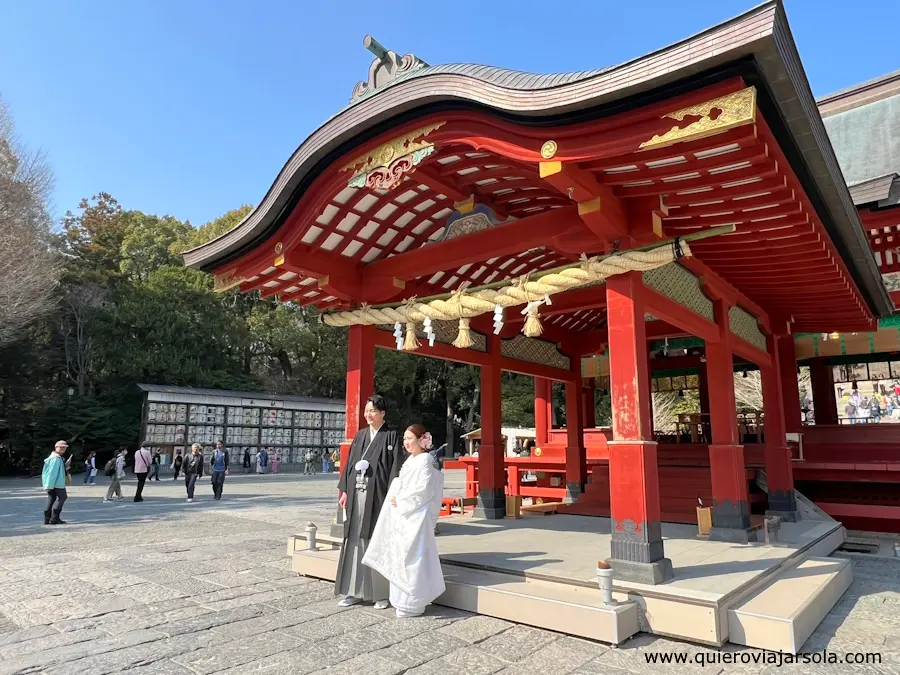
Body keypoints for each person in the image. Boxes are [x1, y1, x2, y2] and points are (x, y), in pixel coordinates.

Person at [363, 425, 445, 618]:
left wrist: (400, 500)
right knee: (401, 556)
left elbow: (423, 490)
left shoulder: (425, 461)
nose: (407, 443)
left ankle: (414, 602)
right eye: (405, 439)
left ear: (421, 440)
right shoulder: (411, 460)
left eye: (410, 438)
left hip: (416, 515)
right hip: (404, 514)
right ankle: (401, 600)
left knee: (413, 558)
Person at [335, 394, 405, 609]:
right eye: (366, 411)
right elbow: (349, 465)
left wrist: (393, 494)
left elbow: (395, 467)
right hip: (357, 494)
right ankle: (353, 590)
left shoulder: (392, 436)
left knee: (377, 539)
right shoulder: (360, 435)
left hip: (379, 496)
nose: (368, 415)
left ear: (383, 412)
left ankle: (380, 593)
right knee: (354, 537)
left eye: (372, 411)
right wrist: (345, 490)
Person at [42, 441, 69, 525]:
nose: (63, 449)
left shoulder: (55, 457)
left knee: (51, 499)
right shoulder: (56, 458)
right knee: (62, 497)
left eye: (64, 447)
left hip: (52, 483)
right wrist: (49, 485)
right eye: (61, 447)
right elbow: (52, 473)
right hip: (57, 483)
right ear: (56, 447)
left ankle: (47, 519)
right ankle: (54, 518)